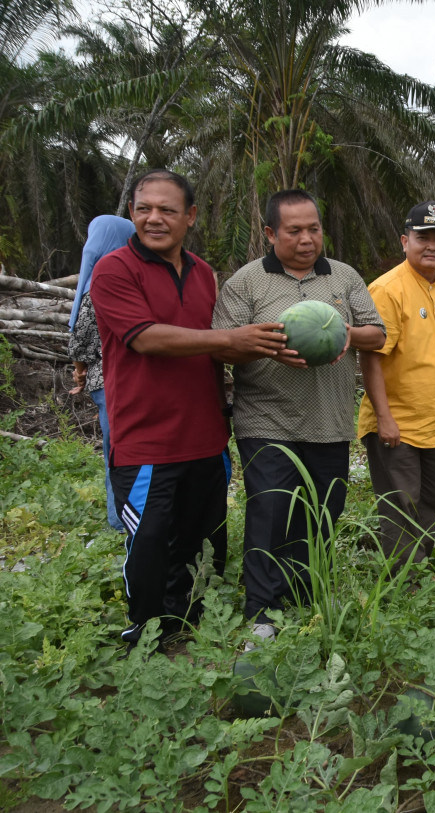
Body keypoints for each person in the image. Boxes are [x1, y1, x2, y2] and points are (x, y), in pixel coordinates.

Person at [91, 169, 289, 650]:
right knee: (151, 541)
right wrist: (230, 339)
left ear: (190, 216)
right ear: (132, 212)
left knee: (204, 540)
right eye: (143, 209)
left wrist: (263, 344)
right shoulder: (114, 270)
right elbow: (145, 337)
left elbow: (220, 346)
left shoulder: (202, 273)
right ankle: (147, 630)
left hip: (204, 435)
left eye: (167, 210)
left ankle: (194, 620)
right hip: (146, 439)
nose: (153, 219)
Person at [212, 189, 385, 645]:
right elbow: (224, 344)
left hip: (329, 422)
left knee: (323, 514)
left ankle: (306, 597)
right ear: (271, 233)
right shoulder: (246, 283)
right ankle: (262, 612)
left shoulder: (344, 277)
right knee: (269, 513)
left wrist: (346, 331)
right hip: (266, 420)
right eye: (294, 231)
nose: (307, 239)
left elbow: (377, 335)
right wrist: (271, 344)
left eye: (314, 229)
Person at [358, 202, 435, 573]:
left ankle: (417, 568)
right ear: (405, 241)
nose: (432, 245)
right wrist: (384, 418)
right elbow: (371, 357)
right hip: (397, 422)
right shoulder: (387, 290)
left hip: (434, 419)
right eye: (423, 237)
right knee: (401, 502)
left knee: (430, 500)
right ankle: (404, 582)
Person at [68, 215, 136, 532]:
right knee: (127, 449)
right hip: (129, 382)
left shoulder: (97, 282)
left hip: (104, 382)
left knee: (117, 449)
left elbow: (80, 340)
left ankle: (120, 519)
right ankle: (122, 518)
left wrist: (80, 372)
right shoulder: (134, 280)